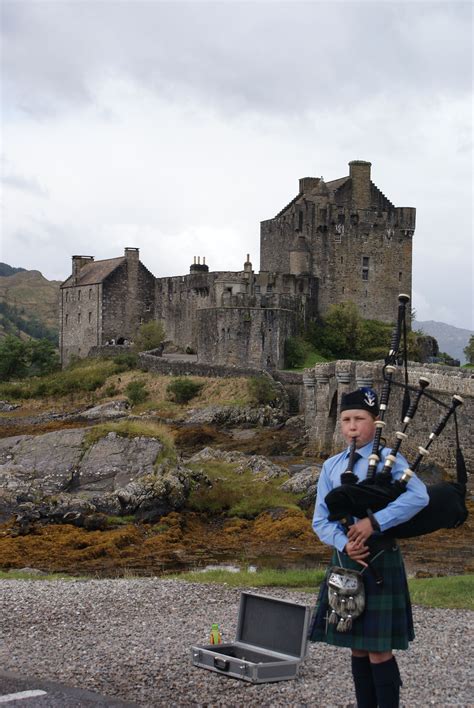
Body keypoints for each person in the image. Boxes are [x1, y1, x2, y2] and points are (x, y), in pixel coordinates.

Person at [309, 387, 429, 708]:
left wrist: (374, 523)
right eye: (346, 419)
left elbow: (419, 496)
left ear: (375, 423)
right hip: (347, 561)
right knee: (357, 647)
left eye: (359, 419)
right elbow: (320, 521)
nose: (351, 426)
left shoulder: (392, 461)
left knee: (378, 649)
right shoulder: (331, 467)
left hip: (380, 558)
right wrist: (344, 544)